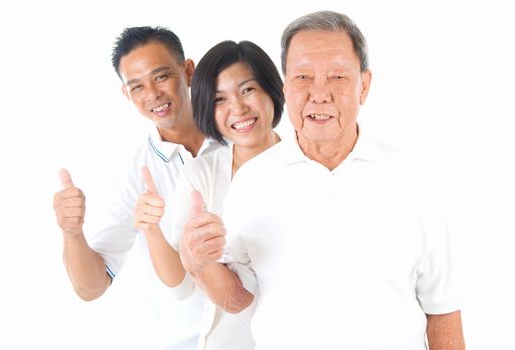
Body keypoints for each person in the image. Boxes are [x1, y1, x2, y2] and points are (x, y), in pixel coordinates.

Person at [179, 11, 466, 349]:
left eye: (337, 77)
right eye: (302, 77)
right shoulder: (254, 181)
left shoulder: (413, 180)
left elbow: (443, 312)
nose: (319, 93)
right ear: (285, 86)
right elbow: (237, 299)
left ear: (365, 86)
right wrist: (197, 262)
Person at [53, 26, 219, 350]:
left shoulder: (241, 133)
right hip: (189, 342)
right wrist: (71, 232)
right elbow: (92, 287)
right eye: (137, 86)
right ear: (126, 95)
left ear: (188, 71)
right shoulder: (134, 173)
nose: (152, 95)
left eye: (160, 77)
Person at [145, 40, 283, 349]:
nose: (238, 108)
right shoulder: (201, 175)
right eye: (220, 99)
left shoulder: (308, 166)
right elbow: (182, 289)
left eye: (248, 90)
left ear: (272, 90)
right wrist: (155, 232)